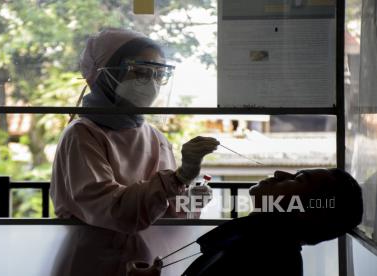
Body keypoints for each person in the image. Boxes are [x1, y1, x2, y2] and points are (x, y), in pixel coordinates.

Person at [50, 27, 219, 276]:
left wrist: (190, 198)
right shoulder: (83, 135)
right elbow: (117, 212)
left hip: (146, 263)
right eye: (139, 72)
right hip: (94, 265)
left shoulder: (154, 137)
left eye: (158, 74)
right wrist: (179, 177)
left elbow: (165, 210)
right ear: (104, 75)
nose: (150, 83)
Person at [183, 168, 363, 276]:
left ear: (310, 212)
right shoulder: (258, 243)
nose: (279, 173)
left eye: (297, 179)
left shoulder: (269, 260)